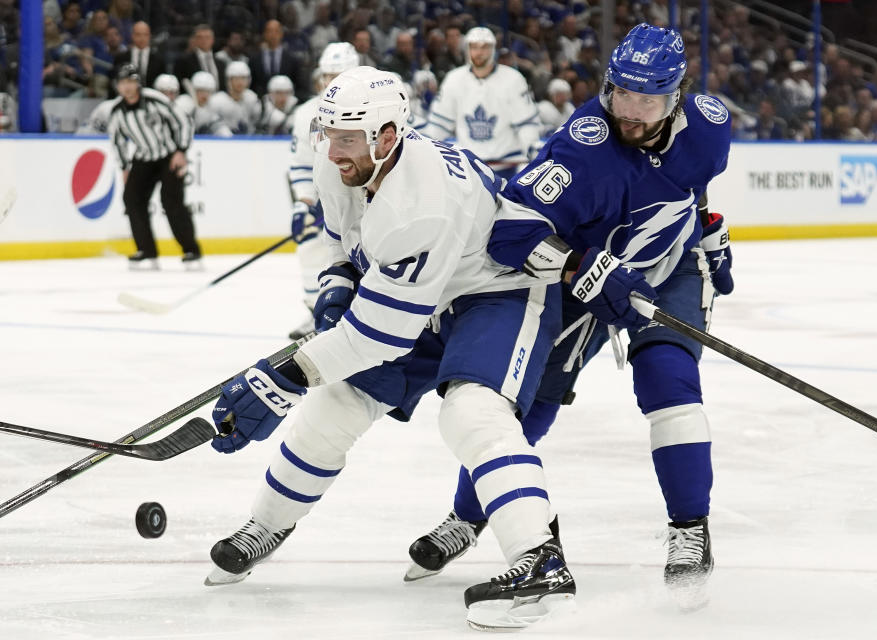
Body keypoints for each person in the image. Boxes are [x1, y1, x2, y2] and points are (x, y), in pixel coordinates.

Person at [204, 66, 575, 631]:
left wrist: (281, 377)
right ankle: (267, 524)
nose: (333, 151)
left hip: (496, 292)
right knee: (336, 405)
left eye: (347, 138)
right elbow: (339, 237)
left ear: (387, 136)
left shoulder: (419, 204)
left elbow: (380, 336)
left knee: (472, 412)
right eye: (328, 135)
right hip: (424, 294)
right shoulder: (347, 162)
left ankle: (540, 560)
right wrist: (336, 284)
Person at [404, 23, 734, 608]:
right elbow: (512, 232)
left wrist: (710, 234)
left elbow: (696, 183)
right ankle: (468, 516)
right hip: (583, 284)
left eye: (646, 101)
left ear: (676, 96)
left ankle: (690, 530)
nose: (629, 112)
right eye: (620, 94)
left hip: (668, 268)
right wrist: (581, 265)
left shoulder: (708, 124)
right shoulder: (582, 148)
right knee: (526, 403)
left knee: (669, 382)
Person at [286, 42, 359, 340]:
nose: (331, 82)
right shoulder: (306, 114)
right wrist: (304, 203)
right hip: (327, 202)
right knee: (310, 246)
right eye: (328, 75)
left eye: (339, 75)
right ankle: (317, 311)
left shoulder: (373, 107)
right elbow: (302, 165)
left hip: (366, 200)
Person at [107, 63, 201, 269]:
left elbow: (183, 122)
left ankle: (191, 250)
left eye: (131, 82)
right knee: (132, 199)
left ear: (138, 83)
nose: (127, 87)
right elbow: (117, 141)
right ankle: (146, 250)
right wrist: (125, 167)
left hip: (168, 156)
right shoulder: (116, 111)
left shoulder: (154, 99)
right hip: (143, 158)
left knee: (172, 202)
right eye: (123, 83)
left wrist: (180, 151)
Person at [420, 26, 541, 181]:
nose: (479, 52)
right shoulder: (453, 79)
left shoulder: (513, 79)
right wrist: (425, 152)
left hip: (506, 166)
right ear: (467, 49)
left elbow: (526, 123)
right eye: (474, 47)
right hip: (469, 168)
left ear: (493, 49)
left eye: (485, 47)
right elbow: (439, 125)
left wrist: (532, 149)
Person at [208, 60, 261, 135]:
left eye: (243, 78)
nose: (240, 82)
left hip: (248, 141)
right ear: (229, 80)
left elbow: (257, 124)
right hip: (223, 142)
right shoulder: (217, 100)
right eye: (236, 78)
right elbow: (212, 125)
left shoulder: (252, 98)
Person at [175, 71, 232, 137]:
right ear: (194, 90)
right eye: (200, 90)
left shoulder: (213, 106)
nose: (204, 95)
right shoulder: (184, 103)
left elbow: (222, 130)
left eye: (207, 91)